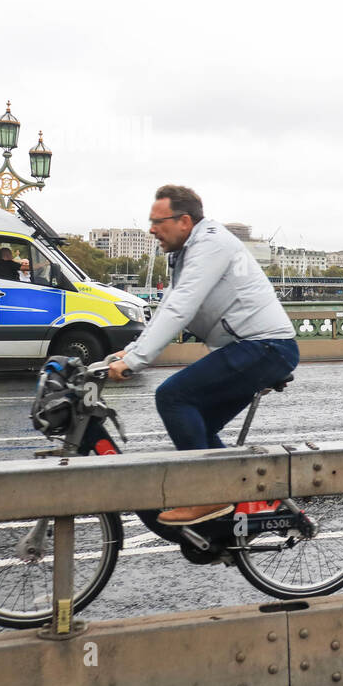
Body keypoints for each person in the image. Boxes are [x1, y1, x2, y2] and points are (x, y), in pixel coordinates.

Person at [106, 184, 299, 526]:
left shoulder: (211, 244)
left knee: (173, 397)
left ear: (183, 221)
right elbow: (169, 305)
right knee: (199, 429)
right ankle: (236, 511)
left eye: (157, 221)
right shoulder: (186, 251)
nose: (151, 229)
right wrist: (132, 350)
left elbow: (182, 307)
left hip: (265, 346)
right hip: (253, 347)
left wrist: (135, 362)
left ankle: (210, 498)